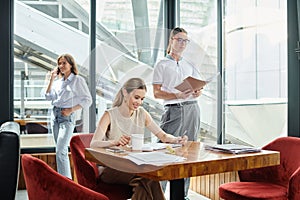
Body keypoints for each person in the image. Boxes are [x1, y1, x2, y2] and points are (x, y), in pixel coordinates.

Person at [90, 77, 188, 200]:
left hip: (135, 166)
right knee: (146, 178)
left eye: (142, 99)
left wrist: (176, 139)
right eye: (136, 97)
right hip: (112, 168)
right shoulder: (109, 115)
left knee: (146, 180)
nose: (139, 102)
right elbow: (94, 144)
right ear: (125, 92)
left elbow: (162, 136)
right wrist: (114, 142)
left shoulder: (142, 113)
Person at [152, 27, 202, 199]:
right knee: (164, 148)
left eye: (185, 41)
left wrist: (197, 92)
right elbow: (156, 93)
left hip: (192, 108)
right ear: (171, 40)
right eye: (179, 39)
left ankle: (183, 194)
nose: (182, 44)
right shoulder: (161, 64)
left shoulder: (190, 64)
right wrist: (176, 95)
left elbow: (199, 87)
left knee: (188, 151)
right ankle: (157, 194)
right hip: (173, 109)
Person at [44, 53, 92, 179]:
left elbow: (88, 100)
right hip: (55, 116)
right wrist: (51, 79)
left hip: (66, 117)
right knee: (59, 151)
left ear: (71, 64)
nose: (61, 65)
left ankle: (67, 182)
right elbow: (48, 97)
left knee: (61, 151)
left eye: (64, 63)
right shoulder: (59, 81)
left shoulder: (78, 80)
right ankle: (63, 181)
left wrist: (71, 110)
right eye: (59, 63)